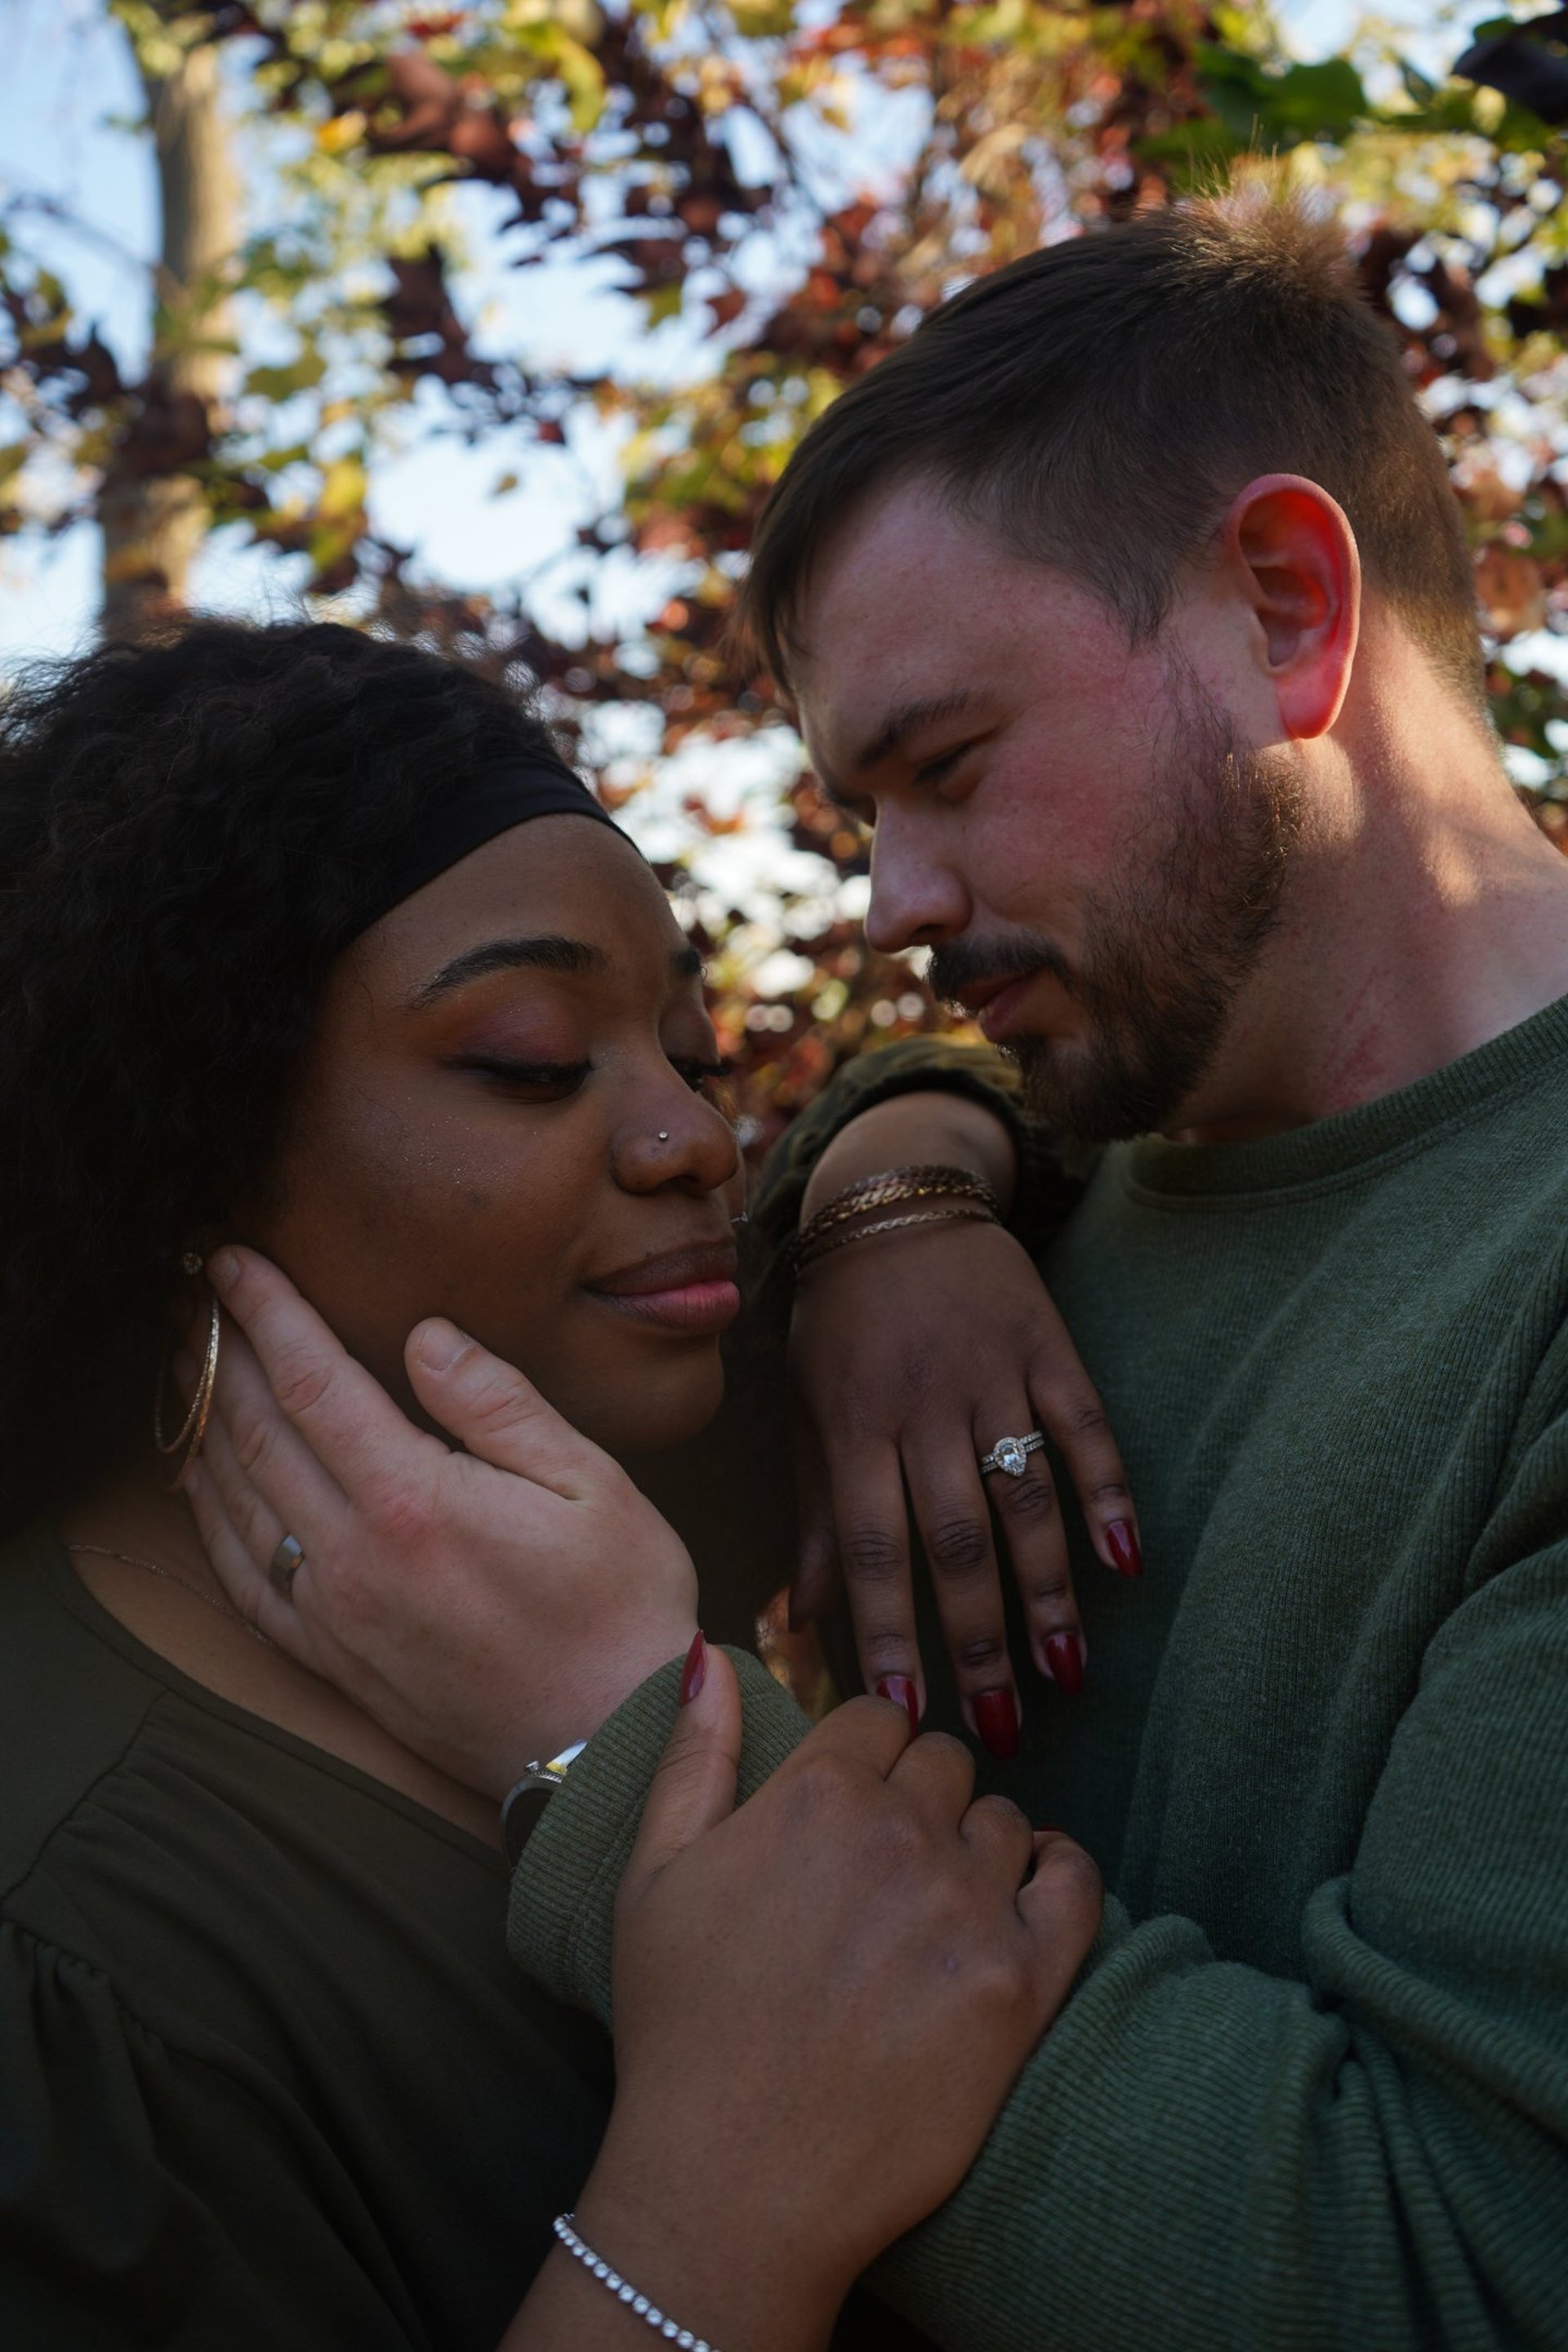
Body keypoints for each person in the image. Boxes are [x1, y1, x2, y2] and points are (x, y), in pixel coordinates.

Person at [197, 192, 1568, 2350]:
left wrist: (602, 1750)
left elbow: (1454, 2273)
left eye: (945, 770)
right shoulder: (1042, 1165)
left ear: (1288, 607)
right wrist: (893, 1186)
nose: (888, 913)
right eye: (858, 822)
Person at [0, 617, 1110, 2350]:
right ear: (176, 1136)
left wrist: (905, 1198)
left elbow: (1004, 1105)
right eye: (529, 1061)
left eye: (690, 1050)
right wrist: (703, 2216)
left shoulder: (643, 1477)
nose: (691, 1138)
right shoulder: (58, 1930)